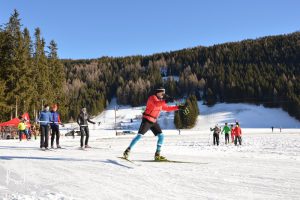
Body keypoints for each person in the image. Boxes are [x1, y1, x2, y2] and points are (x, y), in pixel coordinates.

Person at [123, 87, 185, 161]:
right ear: (157, 92)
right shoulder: (152, 98)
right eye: (162, 93)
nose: (163, 95)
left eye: (163, 94)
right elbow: (156, 104)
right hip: (147, 120)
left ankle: (157, 155)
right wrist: (166, 100)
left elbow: (167, 108)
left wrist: (178, 107)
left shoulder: (161, 101)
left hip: (154, 121)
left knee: (161, 136)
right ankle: (127, 150)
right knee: (139, 136)